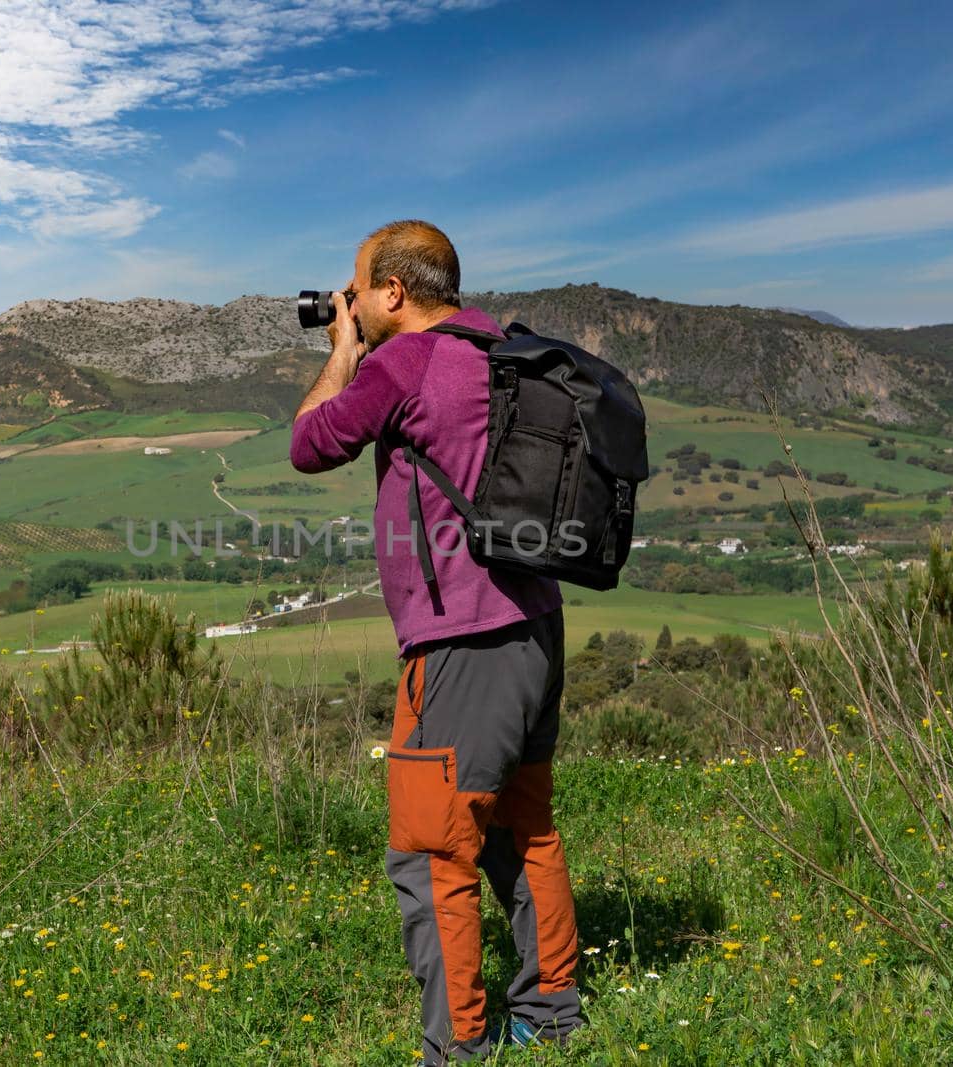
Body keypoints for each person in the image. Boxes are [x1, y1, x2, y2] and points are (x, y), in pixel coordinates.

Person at [289, 220, 585, 1063]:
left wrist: (343, 350)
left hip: (461, 640)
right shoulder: (500, 347)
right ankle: (553, 1014)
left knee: (430, 850)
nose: (348, 301)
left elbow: (311, 443)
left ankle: (457, 1048)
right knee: (523, 826)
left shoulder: (403, 361)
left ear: (391, 292)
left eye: (356, 289)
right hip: (534, 624)